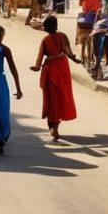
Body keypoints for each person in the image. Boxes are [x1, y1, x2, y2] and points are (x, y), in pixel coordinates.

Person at [30, 14, 77, 142]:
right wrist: (74, 58)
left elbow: (39, 58)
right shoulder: (62, 36)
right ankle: (55, 127)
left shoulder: (45, 40)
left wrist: (37, 67)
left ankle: (53, 127)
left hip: (50, 69)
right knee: (61, 97)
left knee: (51, 99)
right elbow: (68, 51)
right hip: (62, 68)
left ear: (46, 27)